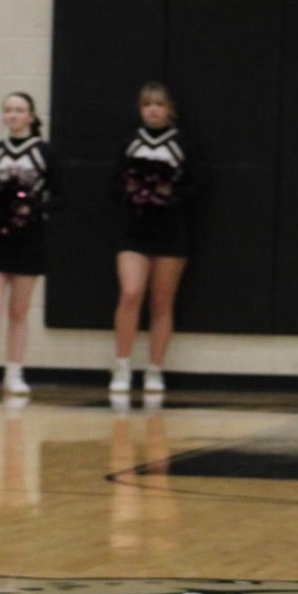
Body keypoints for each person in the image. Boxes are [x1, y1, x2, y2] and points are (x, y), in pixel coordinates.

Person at [109, 81, 198, 396]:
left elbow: (197, 187)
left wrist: (169, 192)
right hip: (133, 230)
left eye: (159, 104)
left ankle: (154, 370)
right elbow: (113, 185)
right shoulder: (130, 144)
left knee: (161, 303)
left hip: (170, 232)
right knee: (131, 293)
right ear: (140, 109)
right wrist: (131, 191)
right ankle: (121, 366)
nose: (153, 110)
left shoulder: (182, 145)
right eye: (147, 104)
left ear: (169, 109)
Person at [0, 92, 62, 396]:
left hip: (30, 238)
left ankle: (14, 373)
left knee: (20, 310)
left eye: (20, 110)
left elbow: (61, 197)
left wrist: (33, 208)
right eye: (8, 110)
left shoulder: (45, 152)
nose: (13, 115)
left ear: (31, 116)